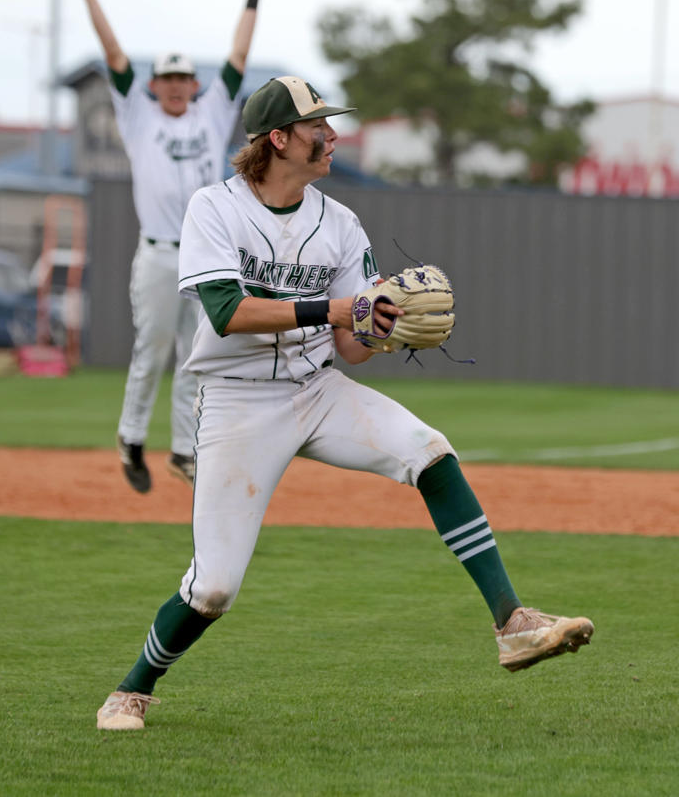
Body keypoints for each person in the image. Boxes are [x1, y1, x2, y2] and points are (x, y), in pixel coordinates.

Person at [96, 75, 594, 730]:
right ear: (278, 138)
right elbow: (225, 312)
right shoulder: (213, 209)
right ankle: (130, 690)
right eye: (316, 127)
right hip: (238, 404)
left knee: (430, 451)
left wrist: (377, 326)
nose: (331, 135)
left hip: (316, 390)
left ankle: (513, 622)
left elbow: (349, 347)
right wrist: (339, 308)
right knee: (214, 588)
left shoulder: (340, 223)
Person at [60, 0, 271, 492]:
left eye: (183, 79)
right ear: (155, 85)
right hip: (157, 253)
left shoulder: (212, 110)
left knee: (197, 355)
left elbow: (239, 57)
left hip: (206, 255)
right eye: (167, 79)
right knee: (151, 349)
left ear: (193, 86)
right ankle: (131, 437)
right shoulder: (137, 114)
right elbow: (112, 54)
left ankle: (183, 450)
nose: (176, 86)